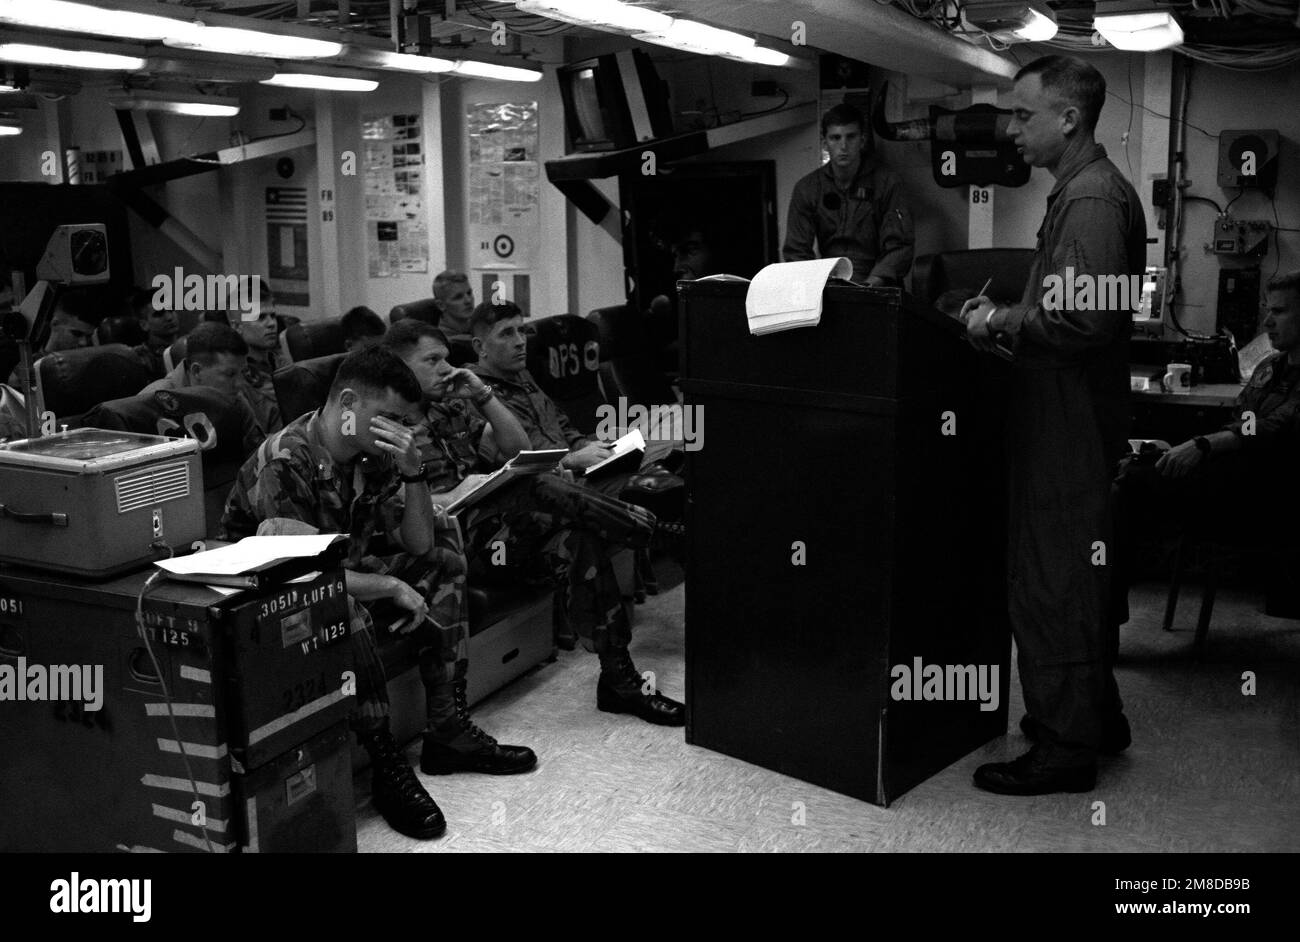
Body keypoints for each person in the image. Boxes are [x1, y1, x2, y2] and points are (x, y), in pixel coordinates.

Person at [220, 347, 537, 841]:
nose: (399, 431)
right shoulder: (284, 461)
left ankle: (447, 728)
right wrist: (389, 585)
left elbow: (419, 543)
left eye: (405, 422)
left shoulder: (373, 453)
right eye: (389, 418)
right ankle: (385, 761)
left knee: (447, 559)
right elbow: (299, 576)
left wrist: (413, 471)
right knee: (345, 606)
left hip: (339, 571)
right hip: (270, 598)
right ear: (347, 402)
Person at [961, 55, 1145, 795]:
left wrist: (999, 319)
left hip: (1067, 426)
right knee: (1073, 575)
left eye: (1023, 113)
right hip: (1065, 415)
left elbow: (1083, 318)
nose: (1011, 127)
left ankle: (1065, 750)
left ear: (1068, 119)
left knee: (1054, 581)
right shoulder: (1079, 193)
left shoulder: (1093, 200)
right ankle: (1099, 719)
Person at [385, 319, 685, 726]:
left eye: (446, 359)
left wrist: (483, 395)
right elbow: (396, 513)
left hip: (502, 530)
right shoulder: (386, 432)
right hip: (459, 545)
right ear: (398, 368)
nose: (445, 368)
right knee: (540, 483)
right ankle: (654, 533)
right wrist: (454, 494)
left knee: (579, 539)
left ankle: (620, 680)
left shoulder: (451, 407)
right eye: (432, 360)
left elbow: (517, 447)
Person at [1112, 271, 1300, 621]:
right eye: (1267, 310)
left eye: (1280, 312)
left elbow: (1277, 429)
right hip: (1234, 477)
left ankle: (1104, 612)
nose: (1268, 321)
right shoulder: (1272, 366)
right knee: (1130, 470)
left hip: (1271, 496)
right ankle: (1106, 602)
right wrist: (1200, 445)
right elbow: (1244, 420)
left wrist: (1203, 445)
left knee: (1131, 486)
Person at [782, 103, 914, 286]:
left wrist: (871, 285)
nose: (843, 146)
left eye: (850, 137)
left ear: (862, 140)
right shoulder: (808, 188)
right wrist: (815, 286)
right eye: (835, 138)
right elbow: (796, 251)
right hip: (828, 282)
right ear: (824, 143)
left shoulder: (887, 182)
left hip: (878, 283)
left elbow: (899, 247)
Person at [225, 278, 283, 435]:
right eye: (261, 318)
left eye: (273, 316)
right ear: (237, 326)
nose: (271, 323)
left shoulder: (283, 362)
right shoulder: (232, 377)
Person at [131, 286, 180, 379]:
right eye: (159, 314)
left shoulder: (188, 346)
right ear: (144, 324)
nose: (169, 317)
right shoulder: (141, 359)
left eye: (171, 310)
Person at [432, 270, 475, 337]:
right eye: (458, 297)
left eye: (469, 293)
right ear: (441, 305)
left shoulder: (480, 326)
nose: (468, 300)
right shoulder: (440, 341)